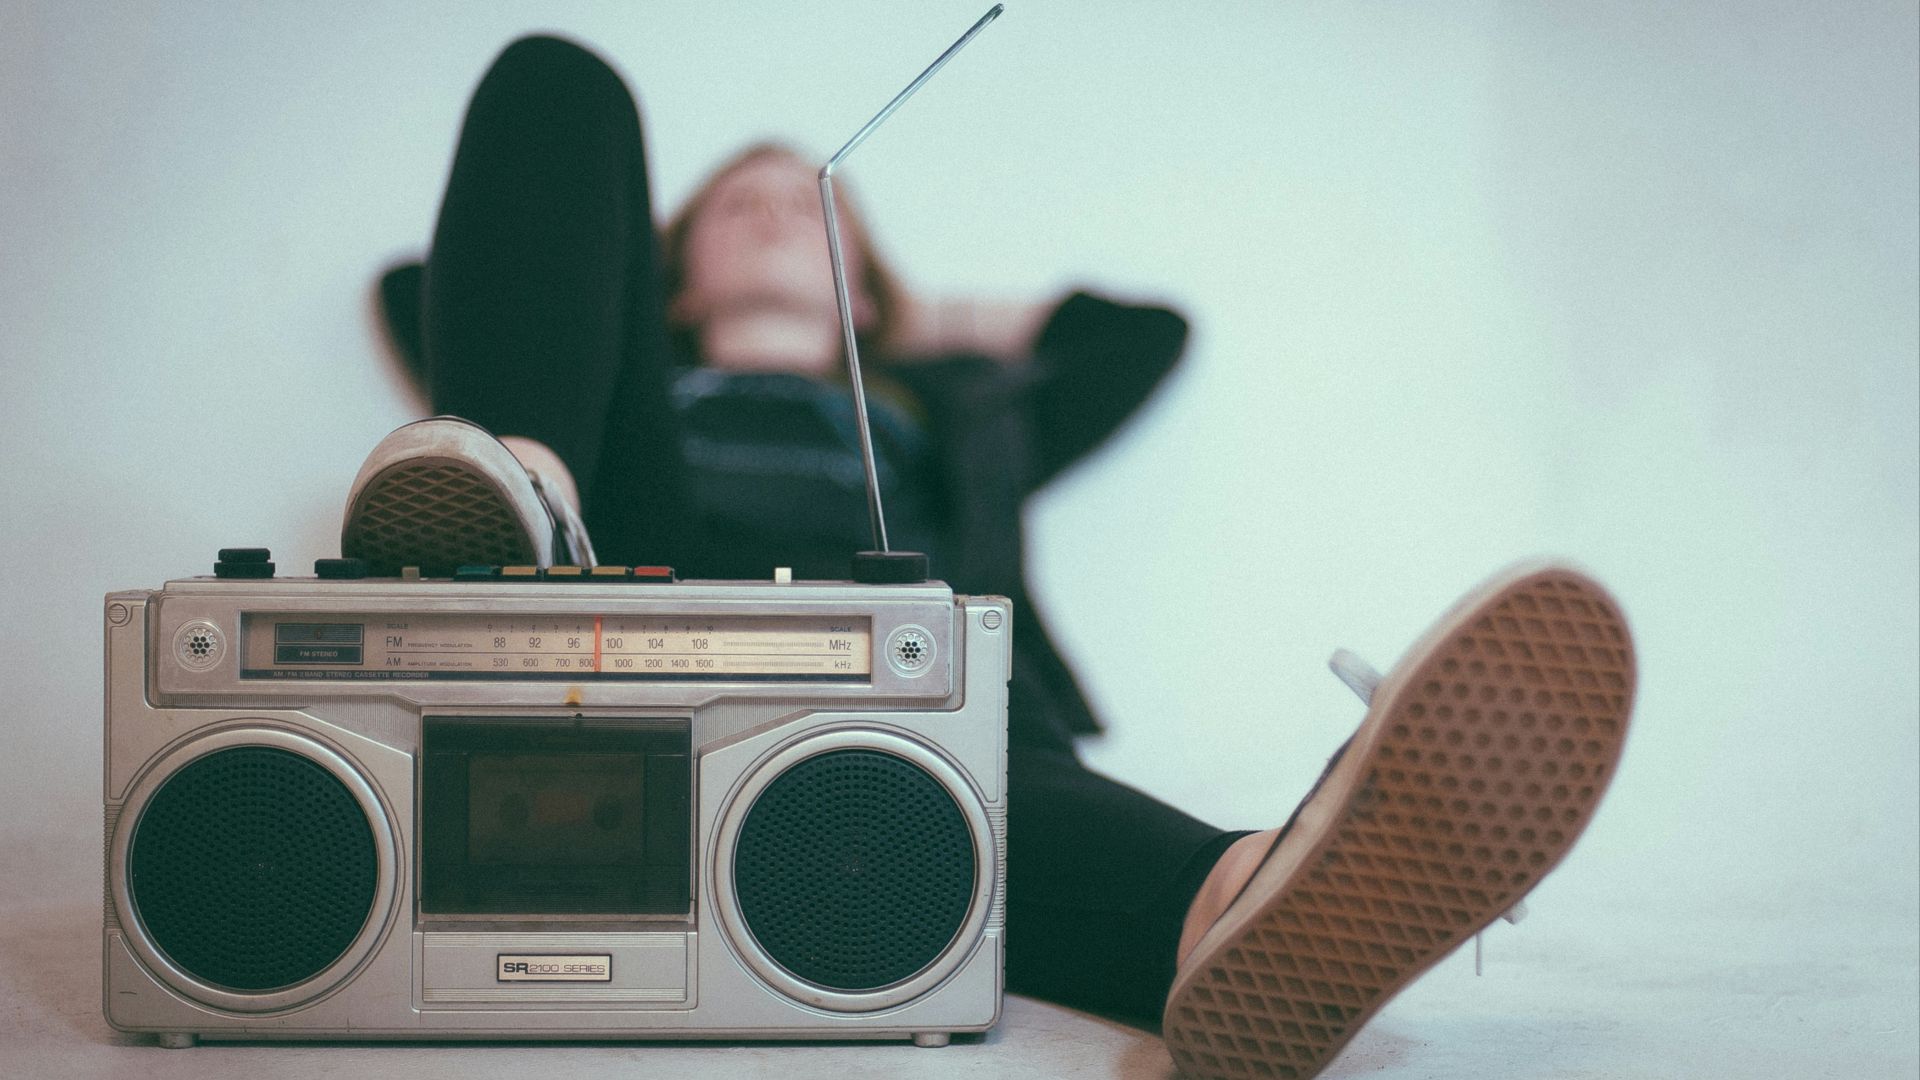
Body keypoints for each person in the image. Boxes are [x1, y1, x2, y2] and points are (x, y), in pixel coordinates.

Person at [351, 35, 1638, 1080]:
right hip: (639, 616)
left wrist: (906, 313)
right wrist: (616, 338)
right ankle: (522, 498)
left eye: (805, 212)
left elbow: (1143, 336)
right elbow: (434, 284)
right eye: (734, 210)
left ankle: (1248, 900)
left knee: (975, 753)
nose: (767, 216)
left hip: (909, 690)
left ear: (864, 290)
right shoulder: (631, 388)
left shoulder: (957, 409)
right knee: (559, 77)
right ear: (670, 277)